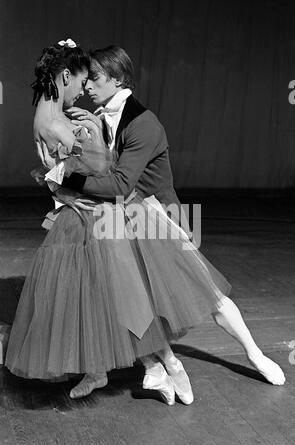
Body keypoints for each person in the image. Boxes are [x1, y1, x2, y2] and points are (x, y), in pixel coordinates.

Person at [5, 42, 285, 407]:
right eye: (86, 79)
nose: (88, 86)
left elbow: (120, 183)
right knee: (122, 291)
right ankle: (146, 367)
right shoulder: (94, 116)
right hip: (122, 214)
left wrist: (65, 178)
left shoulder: (143, 123)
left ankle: (253, 353)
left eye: (96, 79)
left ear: (117, 80)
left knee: (206, 293)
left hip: (161, 215)